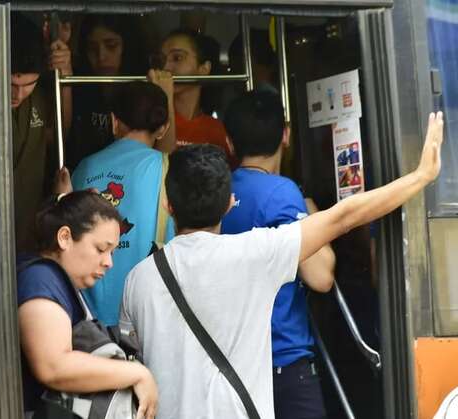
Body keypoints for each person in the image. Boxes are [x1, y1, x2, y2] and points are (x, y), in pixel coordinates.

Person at [120, 111, 444, 419]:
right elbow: (345, 215)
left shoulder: (138, 279)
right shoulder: (256, 255)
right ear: (230, 204)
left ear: (168, 204)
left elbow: (131, 360)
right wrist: (421, 176)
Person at [221, 88, 336, 419]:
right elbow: (321, 277)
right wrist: (314, 218)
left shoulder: (215, 190)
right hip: (281, 359)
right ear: (286, 134)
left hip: (229, 361)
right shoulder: (281, 192)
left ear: (229, 142)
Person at [17, 191, 158, 418]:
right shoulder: (40, 280)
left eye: (112, 252)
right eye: (101, 249)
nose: (108, 262)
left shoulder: (56, 281)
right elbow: (54, 366)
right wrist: (137, 373)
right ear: (64, 237)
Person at [71, 81, 175, 326]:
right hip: (148, 313)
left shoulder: (85, 167)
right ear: (162, 129)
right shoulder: (169, 169)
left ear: (114, 121)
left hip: (91, 317)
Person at [64, 14, 151, 170]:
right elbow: (63, 135)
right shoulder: (79, 86)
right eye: (92, 48)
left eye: (111, 46)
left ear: (128, 46)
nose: (101, 57)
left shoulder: (144, 89)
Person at [11, 13, 63, 254]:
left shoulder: (42, 97)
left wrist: (65, 72)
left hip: (29, 235)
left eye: (27, 85)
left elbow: (65, 128)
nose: (18, 95)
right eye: (11, 85)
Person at [155, 28, 235, 165]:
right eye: (162, 60)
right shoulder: (152, 122)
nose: (166, 67)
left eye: (177, 58)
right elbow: (160, 172)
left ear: (204, 69)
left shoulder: (216, 130)